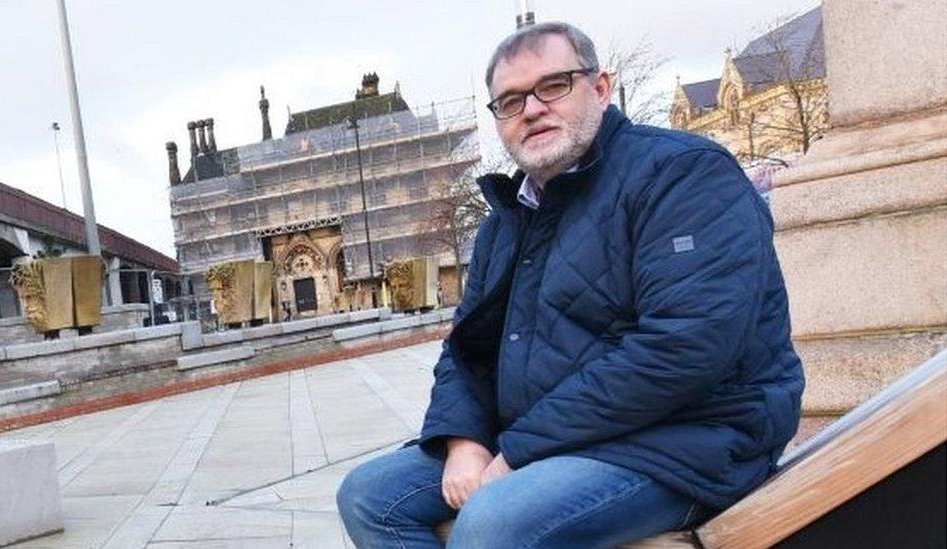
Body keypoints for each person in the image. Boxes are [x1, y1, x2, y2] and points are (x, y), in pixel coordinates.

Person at [337, 21, 804, 548]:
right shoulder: (509, 218)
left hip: (690, 437)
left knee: (496, 521)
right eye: (510, 101)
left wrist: (517, 452)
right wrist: (463, 439)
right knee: (368, 496)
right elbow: (467, 349)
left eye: (553, 86)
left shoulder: (683, 175)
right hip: (560, 437)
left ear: (600, 88)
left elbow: (685, 346)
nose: (532, 109)